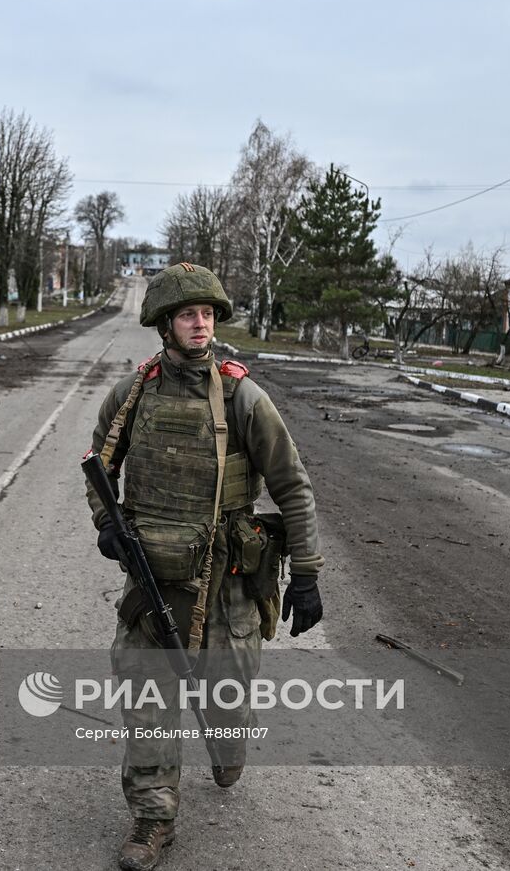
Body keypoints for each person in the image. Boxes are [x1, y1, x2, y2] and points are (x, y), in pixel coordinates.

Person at [84, 262, 324, 871]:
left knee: (225, 699)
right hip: (154, 580)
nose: (201, 324)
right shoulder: (131, 395)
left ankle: (227, 737)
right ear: (164, 324)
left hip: (227, 585)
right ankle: (152, 818)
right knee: (146, 697)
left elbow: (292, 486)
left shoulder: (243, 396)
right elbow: (98, 469)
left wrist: (308, 574)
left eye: (208, 314)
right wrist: (107, 523)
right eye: (189, 314)